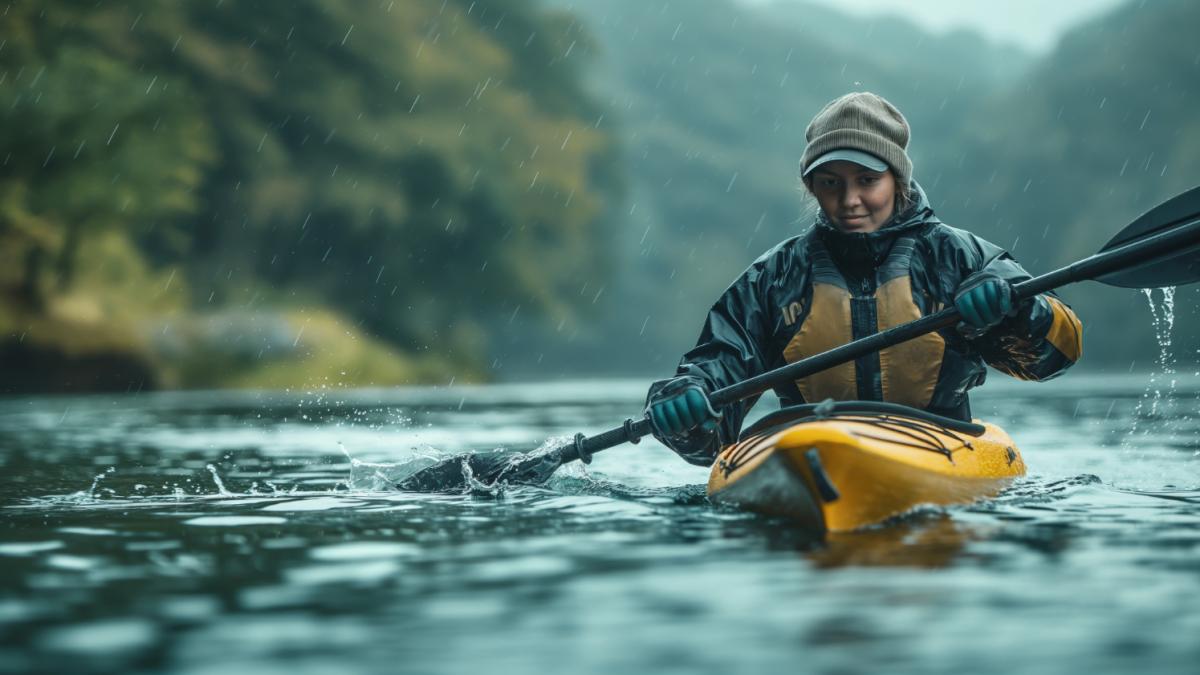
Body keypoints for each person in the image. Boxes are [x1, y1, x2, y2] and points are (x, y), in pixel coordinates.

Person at [645, 92, 1083, 466]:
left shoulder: (960, 257)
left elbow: (1054, 357)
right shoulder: (772, 279)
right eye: (831, 182)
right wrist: (688, 402)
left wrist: (1015, 313)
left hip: (941, 446)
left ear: (898, 180)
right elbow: (716, 399)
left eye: (867, 181)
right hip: (810, 454)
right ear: (811, 186)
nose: (849, 200)